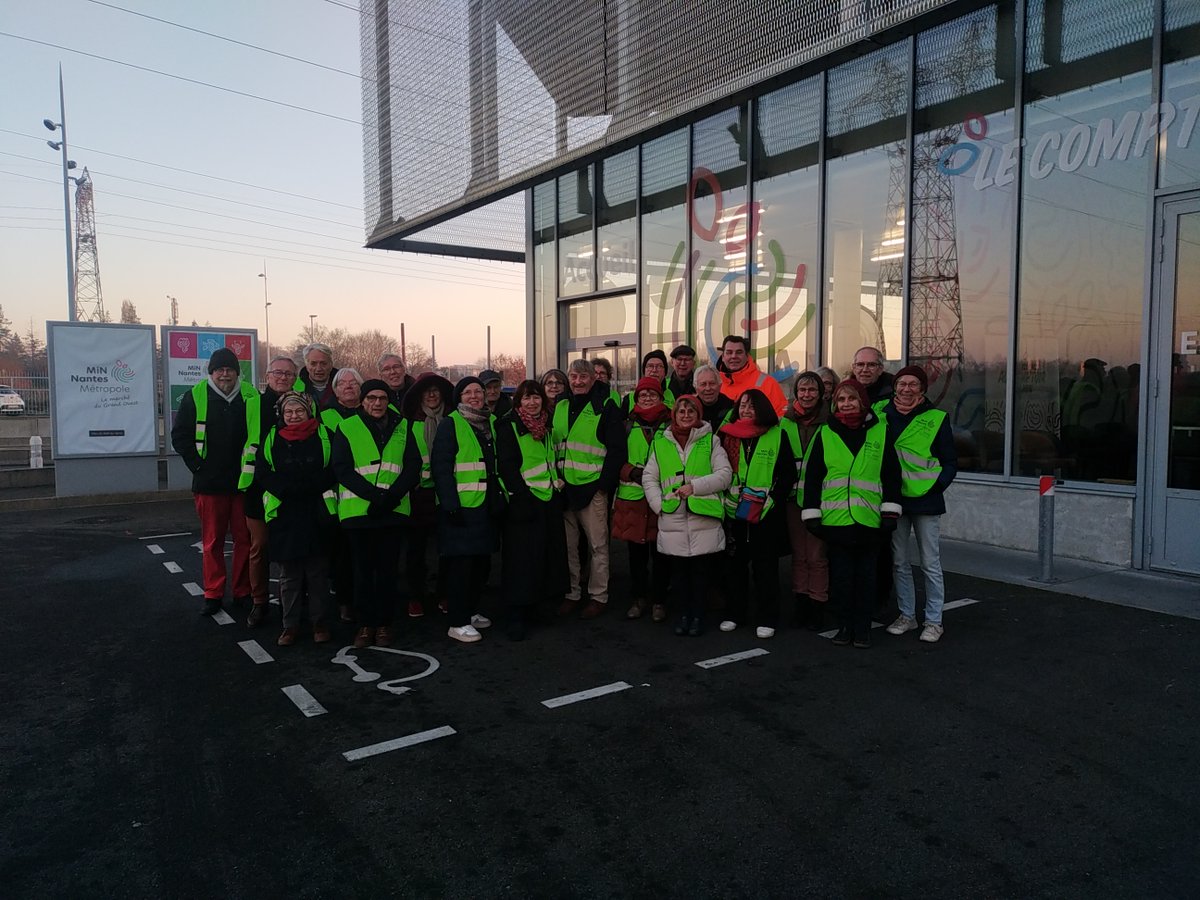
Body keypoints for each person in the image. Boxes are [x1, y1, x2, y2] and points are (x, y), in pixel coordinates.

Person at [801, 379, 902, 649]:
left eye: (851, 399)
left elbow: (892, 475)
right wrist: (812, 515)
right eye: (841, 400)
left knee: (867, 578)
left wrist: (890, 512)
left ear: (862, 402)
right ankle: (844, 627)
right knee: (842, 579)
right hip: (836, 522)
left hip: (870, 520)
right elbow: (813, 477)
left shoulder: (880, 432)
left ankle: (863, 628)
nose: (846, 404)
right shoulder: (826, 433)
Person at [331, 379, 421, 649]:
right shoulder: (346, 427)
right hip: (360, 513)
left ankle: (384, 624)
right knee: (362, 572)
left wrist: (390, 497)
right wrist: (375, 497)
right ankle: (365, 624)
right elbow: (342, 469)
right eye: (371, 398)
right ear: (362, 400)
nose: (377, 403)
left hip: (392, 512)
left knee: (387, 572)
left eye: (382, 398)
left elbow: (412, 465)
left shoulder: (403, 426)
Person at [171, 347, 259, 615]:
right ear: (211, 372)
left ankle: (243, 591)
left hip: (244, 482)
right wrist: (198, 466)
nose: (225, 374)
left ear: (237, 372)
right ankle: (213, 593)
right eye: (219, 369)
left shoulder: (251, 395)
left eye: (230, 369)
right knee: (213, 542)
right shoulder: (194, 396)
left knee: (245, 541)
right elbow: (181, 436)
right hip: (209, 485)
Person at [881, 365, 958, 644]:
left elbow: (950, 461)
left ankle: (934, 621)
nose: (906, 389)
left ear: (923, 389)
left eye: (913, 384)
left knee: (930, 563)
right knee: (900, 562)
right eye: (902, 383)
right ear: (895, 386)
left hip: (926, 500)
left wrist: (937, 485)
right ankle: (907, 615)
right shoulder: (881, 415)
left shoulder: (936, 418)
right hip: (894, 499)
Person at [255, 391, 338, 646]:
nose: (294, 416)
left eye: (299, 411)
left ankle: (319, 623)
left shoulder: (325, 436)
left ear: (309, 412)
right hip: (285, 515)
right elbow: (263, 473)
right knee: (289, 576)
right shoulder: (271, 439)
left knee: (317, 573)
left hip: (318, 513)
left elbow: (335, 468)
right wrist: (288, 489)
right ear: (282, 414)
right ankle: (289, 625)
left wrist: (309, 486)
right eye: (289, 411)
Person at [644, 395, 731, 636]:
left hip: (703, 516)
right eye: (681, 411)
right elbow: (649, 477)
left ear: (698, 415)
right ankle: (684, 615)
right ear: (674, 415)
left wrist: (695, 487)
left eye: (690, 412)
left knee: (701, 574)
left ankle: (698, 617)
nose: (685, 415)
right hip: (672, 516)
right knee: (680, 575)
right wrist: (657, 504)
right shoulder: (661, 442)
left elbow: (725, 475)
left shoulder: (711, 441)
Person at [432, 376, 507, 643]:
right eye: (468, 392)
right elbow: (441, 468)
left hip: (487, 506)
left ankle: (471, 611)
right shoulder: (450, 424)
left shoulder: (493, 423)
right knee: (461, 568)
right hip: (461, 509)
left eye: (478, 391)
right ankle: (457, 621)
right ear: (459, 398)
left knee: (480, 565)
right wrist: (450, 504)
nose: (474, 396)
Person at [717, 388, 795, 638]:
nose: (746, 410)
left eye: (752, 406)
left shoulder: (777, 434)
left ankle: (768, 617)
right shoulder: (725, 435)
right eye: (742, 405)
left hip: (765, 514)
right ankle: (734, 613)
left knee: (766, 569)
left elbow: (787, 475)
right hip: (732, 511)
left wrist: (771, 501)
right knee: (733, 568)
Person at [552, 359, 626, 618]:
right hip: (565, 489)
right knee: (569, 547)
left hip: (592, 488)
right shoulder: (560, 405)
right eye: (574, 376)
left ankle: (598, 596)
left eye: (584, 377)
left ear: (594, 379)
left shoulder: (605, 406)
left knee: (598, 547)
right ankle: (572, 593)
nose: (578, 381)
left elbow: (617, 451)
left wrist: (603, 488)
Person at [496, 379, 567, 640]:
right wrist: (522, 498)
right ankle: (516, 615)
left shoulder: (545, 427)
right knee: (520, 562)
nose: (532, 402)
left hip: (547, 500)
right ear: (518, 402)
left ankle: (536, 607)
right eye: (526, 398)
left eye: (536, 397)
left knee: (542, 558)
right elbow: (507, 466)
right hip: (522, 503)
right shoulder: (508, 426)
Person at [243, 355, 298, 628]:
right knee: (260, 547)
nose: (283, 377)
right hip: (257, 487)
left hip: (293, 489)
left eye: (288, 374)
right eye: (278, 372)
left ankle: (295, 604)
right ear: (268, 374)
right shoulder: (252, 405)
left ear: (296, 378)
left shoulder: (302, 405)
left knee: (293, 548)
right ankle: (260, 602)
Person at [613, 377, 672, 622]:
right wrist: (631, 472)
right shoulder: (626, 425)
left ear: (661, 397)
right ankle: (638, 598)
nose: (647, 398)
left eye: (652, 394)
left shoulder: (671, 425)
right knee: (636, 556)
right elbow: (614, 457)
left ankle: (659, 600)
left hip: (661, 497)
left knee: (661, 554)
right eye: (642, 394)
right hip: (633, 498)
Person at [402, 372, 455, 618]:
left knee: (447, 549)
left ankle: (444, 592)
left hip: (447, 493)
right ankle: (416, 596)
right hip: (418, 495)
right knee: (416, 552)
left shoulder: (453, 421)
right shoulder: (408, 423)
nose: (432, 395)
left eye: (436, 390)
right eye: (426, 390)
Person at [781, 371, 830, 630]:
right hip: (792, 499)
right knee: (799, 555)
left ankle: (818, 603)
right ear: (796, 393)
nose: (807, 394)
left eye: (812, 390)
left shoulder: (830, 422)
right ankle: (801, 603)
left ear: (821, 393)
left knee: (817, 555)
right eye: (803, 390)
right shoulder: (784, 422)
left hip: (820, 499)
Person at [850, 346, 895, 612]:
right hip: (848, 486)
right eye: (860, 365)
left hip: (879, 483)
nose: (865, 370)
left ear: (880, 368)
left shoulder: (893, 396)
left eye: (870, 365)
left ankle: (879, 599)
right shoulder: (845, 393)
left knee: (881, 549)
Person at [716, 334, 787, 416]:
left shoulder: (768, 383)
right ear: (723, 357)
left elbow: (781, 417)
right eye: (729, 352)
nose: (734, 356)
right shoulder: (715, 384)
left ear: (747, 356)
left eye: (739, 352)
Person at [621, 349, 673, 415]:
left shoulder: (674, 393)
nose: (654, 370)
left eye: (659, 366)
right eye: (650, 366)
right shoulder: (629, 399)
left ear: (665, 372)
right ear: (644, 371)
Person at [298, 343, 338, 410]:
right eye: (313, 364)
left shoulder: (343, 385)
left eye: (323, 364)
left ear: (331, 364)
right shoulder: (294, 387)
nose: (319, 368)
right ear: (307, 365)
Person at [695, 364, 734, 431]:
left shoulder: (731, 408)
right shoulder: (690, 408)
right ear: (696, 388)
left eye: (712, 383)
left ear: (720, 385)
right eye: (703, 384)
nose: (708, 388)